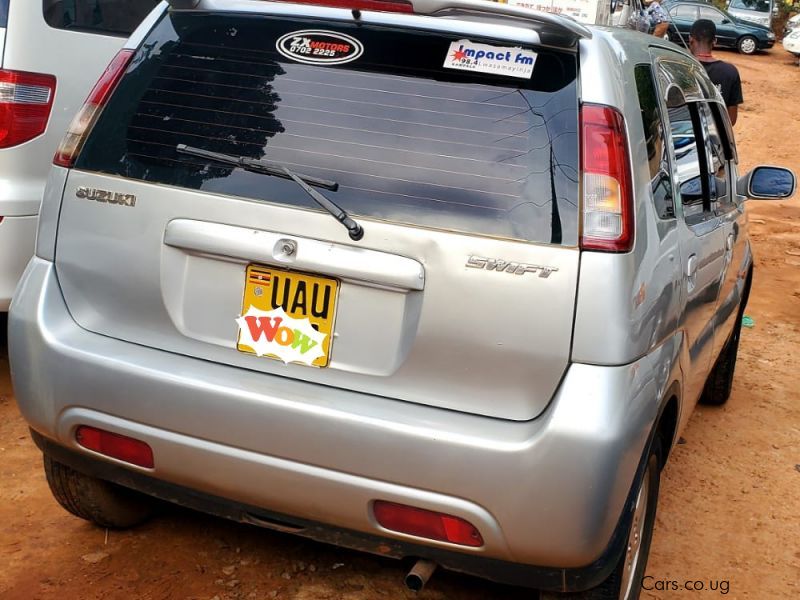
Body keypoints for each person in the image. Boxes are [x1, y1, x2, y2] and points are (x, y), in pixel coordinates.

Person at [689, 19, 744, 126]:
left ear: (690, 39)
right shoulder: (730, 71)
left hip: (684, 139)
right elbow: (731, 120)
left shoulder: (680, 67)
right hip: (715, 139)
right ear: (715, 41)